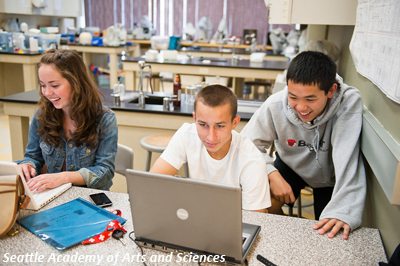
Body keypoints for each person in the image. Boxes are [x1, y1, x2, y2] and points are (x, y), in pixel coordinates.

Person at [241, 51, 366, 239]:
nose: (300, 107)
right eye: (293, 97)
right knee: (258, 208)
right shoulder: (276, 104)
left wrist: (343, 211)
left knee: (331, 232)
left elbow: (347, 160)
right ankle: (281, 240)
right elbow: (246, 144)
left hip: (330, 176)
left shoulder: (347, 104)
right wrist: (270, 172)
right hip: (290, 166)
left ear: (331, 91)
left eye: (310, 99)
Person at [151, 84, 271, 212]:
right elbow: (152, 182)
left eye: (220, 126)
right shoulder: (186, 134)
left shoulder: (251, 159)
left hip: (234, 224)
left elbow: (255, 220)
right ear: (194, 118)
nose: (211, 137)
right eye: (203, 124)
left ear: (234, 123)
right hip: (196, 215)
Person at [17, 49, 118, 192]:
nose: (47, 93)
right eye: (43, 85)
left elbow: (105, 172)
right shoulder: (41, 115)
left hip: (88, 197)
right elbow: (33, 157)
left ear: (76, 82)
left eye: (54, 85)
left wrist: (63, 177)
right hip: (51, 195)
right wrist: (28, 165)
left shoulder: (104, 119)